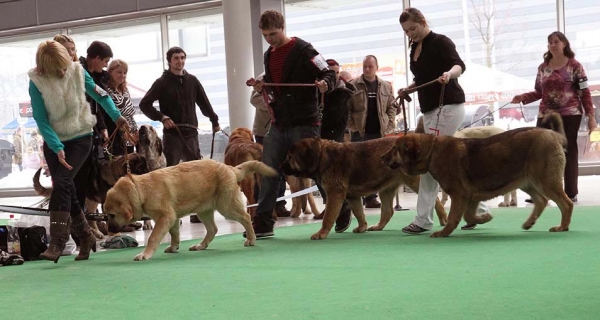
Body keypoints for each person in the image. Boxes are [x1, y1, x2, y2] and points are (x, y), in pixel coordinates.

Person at [28, 40, 129, 262]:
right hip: (54, 140)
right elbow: (41, 118)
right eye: (59, 68)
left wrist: (116, 116)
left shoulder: (77, 71)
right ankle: (85, 236)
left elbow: (100, 95)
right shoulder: (37, 81)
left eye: (66, 64)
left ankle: (57, 241)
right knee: (68, 190)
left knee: (63, 183)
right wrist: (55, 146)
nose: (64, 70)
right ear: (46, 67)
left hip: (82, 136)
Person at [397, 7, 490, 234]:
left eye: (413, 28)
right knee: (447, 163)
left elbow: (459, 65)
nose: (410, 34)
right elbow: (422, 78)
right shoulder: (414, 48)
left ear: (423, 21)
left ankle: (423, 220)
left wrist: (449, 74)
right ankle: (478, 210)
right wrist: (409, 89)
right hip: (430, 110)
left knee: (429, 163)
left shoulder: (440, 41)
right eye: (407, 31)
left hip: (448, 107)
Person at [245, 10, 335, 238]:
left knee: (317, 170)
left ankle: (339, 209)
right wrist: (262, 86)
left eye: (273, 34)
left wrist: (325, 83)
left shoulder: (305, 49)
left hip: (304, 123)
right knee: (268, 172)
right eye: (265, 35)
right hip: (278, 124)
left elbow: (328, 72)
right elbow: (274, 84)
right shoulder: (268, 55)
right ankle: (263, 222)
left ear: (283, 28)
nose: (270, 39)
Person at [511, 31, 597, 203]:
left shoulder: (575, 66)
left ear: (564, 44)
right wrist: (523, 98)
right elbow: (538, 92)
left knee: (568, 151)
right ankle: (539, 193)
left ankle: (570, 192)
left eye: (556, 41)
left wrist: (591, 116)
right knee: (538, 151)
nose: (552, 45)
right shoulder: (543, 67)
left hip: (570, 114)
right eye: (549, 42)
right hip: (546, 115)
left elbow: (584, 92)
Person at [139, 46, 220, 223]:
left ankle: (197, 212)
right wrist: (161, 117)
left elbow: (204, 103)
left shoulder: (192, 80)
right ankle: (169, 212)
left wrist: (214, 120)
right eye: (176, 58)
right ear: (169, 61)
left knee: (196, 175)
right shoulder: (161, 82)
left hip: (191, 133)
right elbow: (145, 104)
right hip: (173, 135)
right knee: (170, 175)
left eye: (182, 58)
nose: (180, 61)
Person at [347, 55, 396, 209]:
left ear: (376, 67)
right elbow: (347, 110)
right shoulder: (352, 85)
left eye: (370, 66)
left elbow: (391, 107)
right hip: (359, 133)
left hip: (379, 133)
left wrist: (389, 125)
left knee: (377, 165)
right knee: (358, 166)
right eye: (365, 66)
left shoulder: (386, 86)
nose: (367, 69)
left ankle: (372, 198)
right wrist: (353, 127)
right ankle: (357, 196)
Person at [313, 58, 356, 233]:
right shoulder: (316, 91)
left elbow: (338, 122)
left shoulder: (342, 92)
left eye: (336, 73)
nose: (334, 76)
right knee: (320, 178)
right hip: (318, 140)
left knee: (334, 181)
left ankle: (342, 210)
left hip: (333, 143)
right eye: (331, 72)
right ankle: (338, 208)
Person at [250, 73, 292, 217]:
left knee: (281, 167)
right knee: (266, 169)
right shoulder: (263, 78)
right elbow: (254, 99)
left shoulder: (290, 76)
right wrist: (274, 105)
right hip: (264, 130)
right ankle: (262, 206)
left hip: (285, 128)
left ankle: (279, 204)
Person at [107, 59, 139, 153]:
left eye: (125, 73)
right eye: (119, 72)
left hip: (131, 133)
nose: (123, 75)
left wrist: (135, 130)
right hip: (117, 133)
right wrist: (125, 133)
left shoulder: (125, 90)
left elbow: (130, 115)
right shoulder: (107, 91)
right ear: (110, 72)